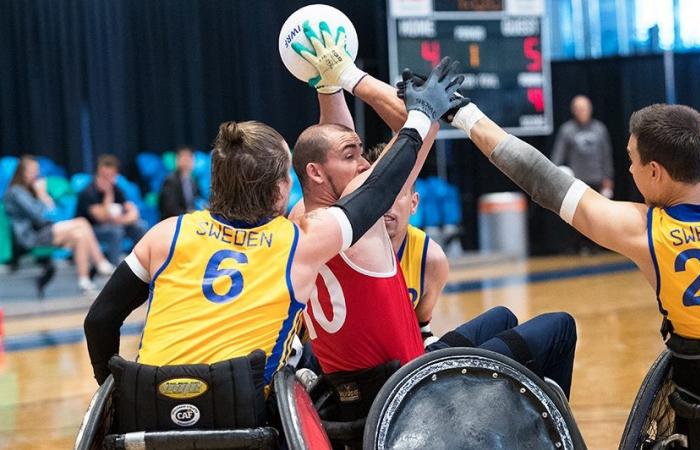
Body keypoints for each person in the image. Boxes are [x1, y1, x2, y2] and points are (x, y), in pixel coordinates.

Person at [83, 51, 456, 408]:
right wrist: (420, 114)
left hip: (149, 402)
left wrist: (112, 390)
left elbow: (100, 319)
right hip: (240, 408)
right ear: (281, 190)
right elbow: (379, 187)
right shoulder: (299, 240)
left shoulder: (166, 233)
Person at [438, 93, 700, 446]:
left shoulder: (644, 231)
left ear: (655, 171)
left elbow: (542, 179)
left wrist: (467, 115)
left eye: (633, 160)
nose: (629, 169)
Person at [289, 22, 576, 420]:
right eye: (352, 157)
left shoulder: (301, 218)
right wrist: (351, 78)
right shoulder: (363, 216)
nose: (364, 163)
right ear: (318, 173)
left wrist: (327, 86)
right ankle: (541, 429)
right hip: (411, 389)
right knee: (560, 328)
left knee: (503, 317)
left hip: (360, 389)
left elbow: (333, 143)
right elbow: (420, 126)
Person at [363, 142, 446, 345]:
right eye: (378, 191)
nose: (386, 202)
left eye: (397, 192)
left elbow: (421, 327)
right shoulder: (339, 246)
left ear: (414, 203)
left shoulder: (432, 259)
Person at [4, 156, 114, 293]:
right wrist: (42, 195)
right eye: (32, 171)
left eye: (37, 170)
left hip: (41, 232)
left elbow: (49, 214)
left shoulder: (28, 191)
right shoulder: (16, 192)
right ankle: (100, 262)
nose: (36, 174)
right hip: (29, 238)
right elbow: (38, 216)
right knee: (81, 222)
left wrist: (42, 198)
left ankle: (84, 281)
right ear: (22, 172)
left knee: (79, 235)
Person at [77, 154, 147, 264]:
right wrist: (108, 195)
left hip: (113, 224)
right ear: (98, 173)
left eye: (112, 176)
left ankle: (141, 263)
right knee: (116, 232)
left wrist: (123, 220)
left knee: (140, 226)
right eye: (105, 176)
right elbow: (101, 218)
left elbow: (133, 212)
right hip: (91, 229)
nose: (109, 179)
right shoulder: (88, 192)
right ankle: (115, 267)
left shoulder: (117, 189)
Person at [551, 95, 614, 198]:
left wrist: (608, 180)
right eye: (578, 109)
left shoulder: (600, 129)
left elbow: (606, 156)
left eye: (584, 109)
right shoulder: (566, 130)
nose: (582, 112)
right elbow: (558, 157)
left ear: (590, 109)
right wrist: (554, 178)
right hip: (576, 183)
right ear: (573, 111)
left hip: (597, 180)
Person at [158, 146, 199, 219]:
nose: (186, 162)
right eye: (183, 158)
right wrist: (191, 216)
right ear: (177, 160)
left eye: (189, 158)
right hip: (173, 221)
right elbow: (170, 209)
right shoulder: (170, 181)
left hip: (189, 219)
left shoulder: (193, 181)